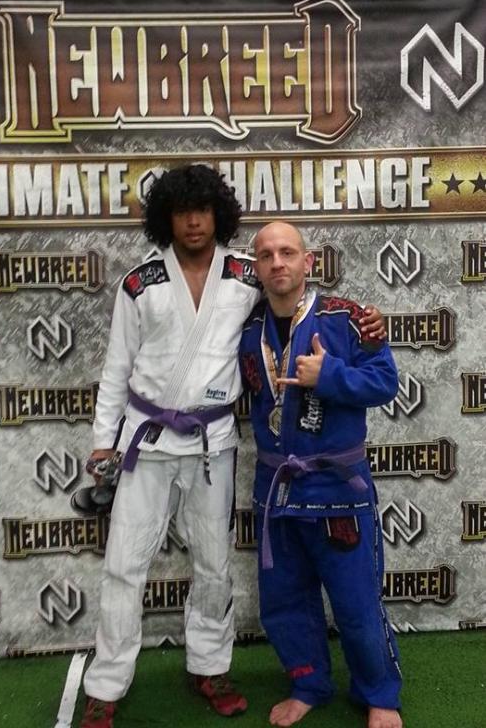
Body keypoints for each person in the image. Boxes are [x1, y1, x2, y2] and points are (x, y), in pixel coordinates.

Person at [80, 166, 387, 728]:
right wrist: (104, 443)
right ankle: (106, 684)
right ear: (166, 219)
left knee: (214, 563)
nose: (193, 222)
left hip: (212, 442)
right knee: (124, 564)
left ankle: (209, 667)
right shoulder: (139, 283)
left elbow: (294, 303)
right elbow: (116, 368)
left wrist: (365, 323)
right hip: (147, 439)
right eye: (182, 212)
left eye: (203, 210)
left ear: (218, 215)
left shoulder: (246, 275)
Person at [239, 221, 403, 728]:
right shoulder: (246, 329)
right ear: (256, 266)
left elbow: (385, 382)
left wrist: (327, 375)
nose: (277, 262)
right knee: (285, 601)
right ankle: (309, 684)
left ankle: (379, 694)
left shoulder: (348, 319)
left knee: (357, 604)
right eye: (267, 254)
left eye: (288, 252)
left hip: (338, 489)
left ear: (308, 262)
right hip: (277, 489)